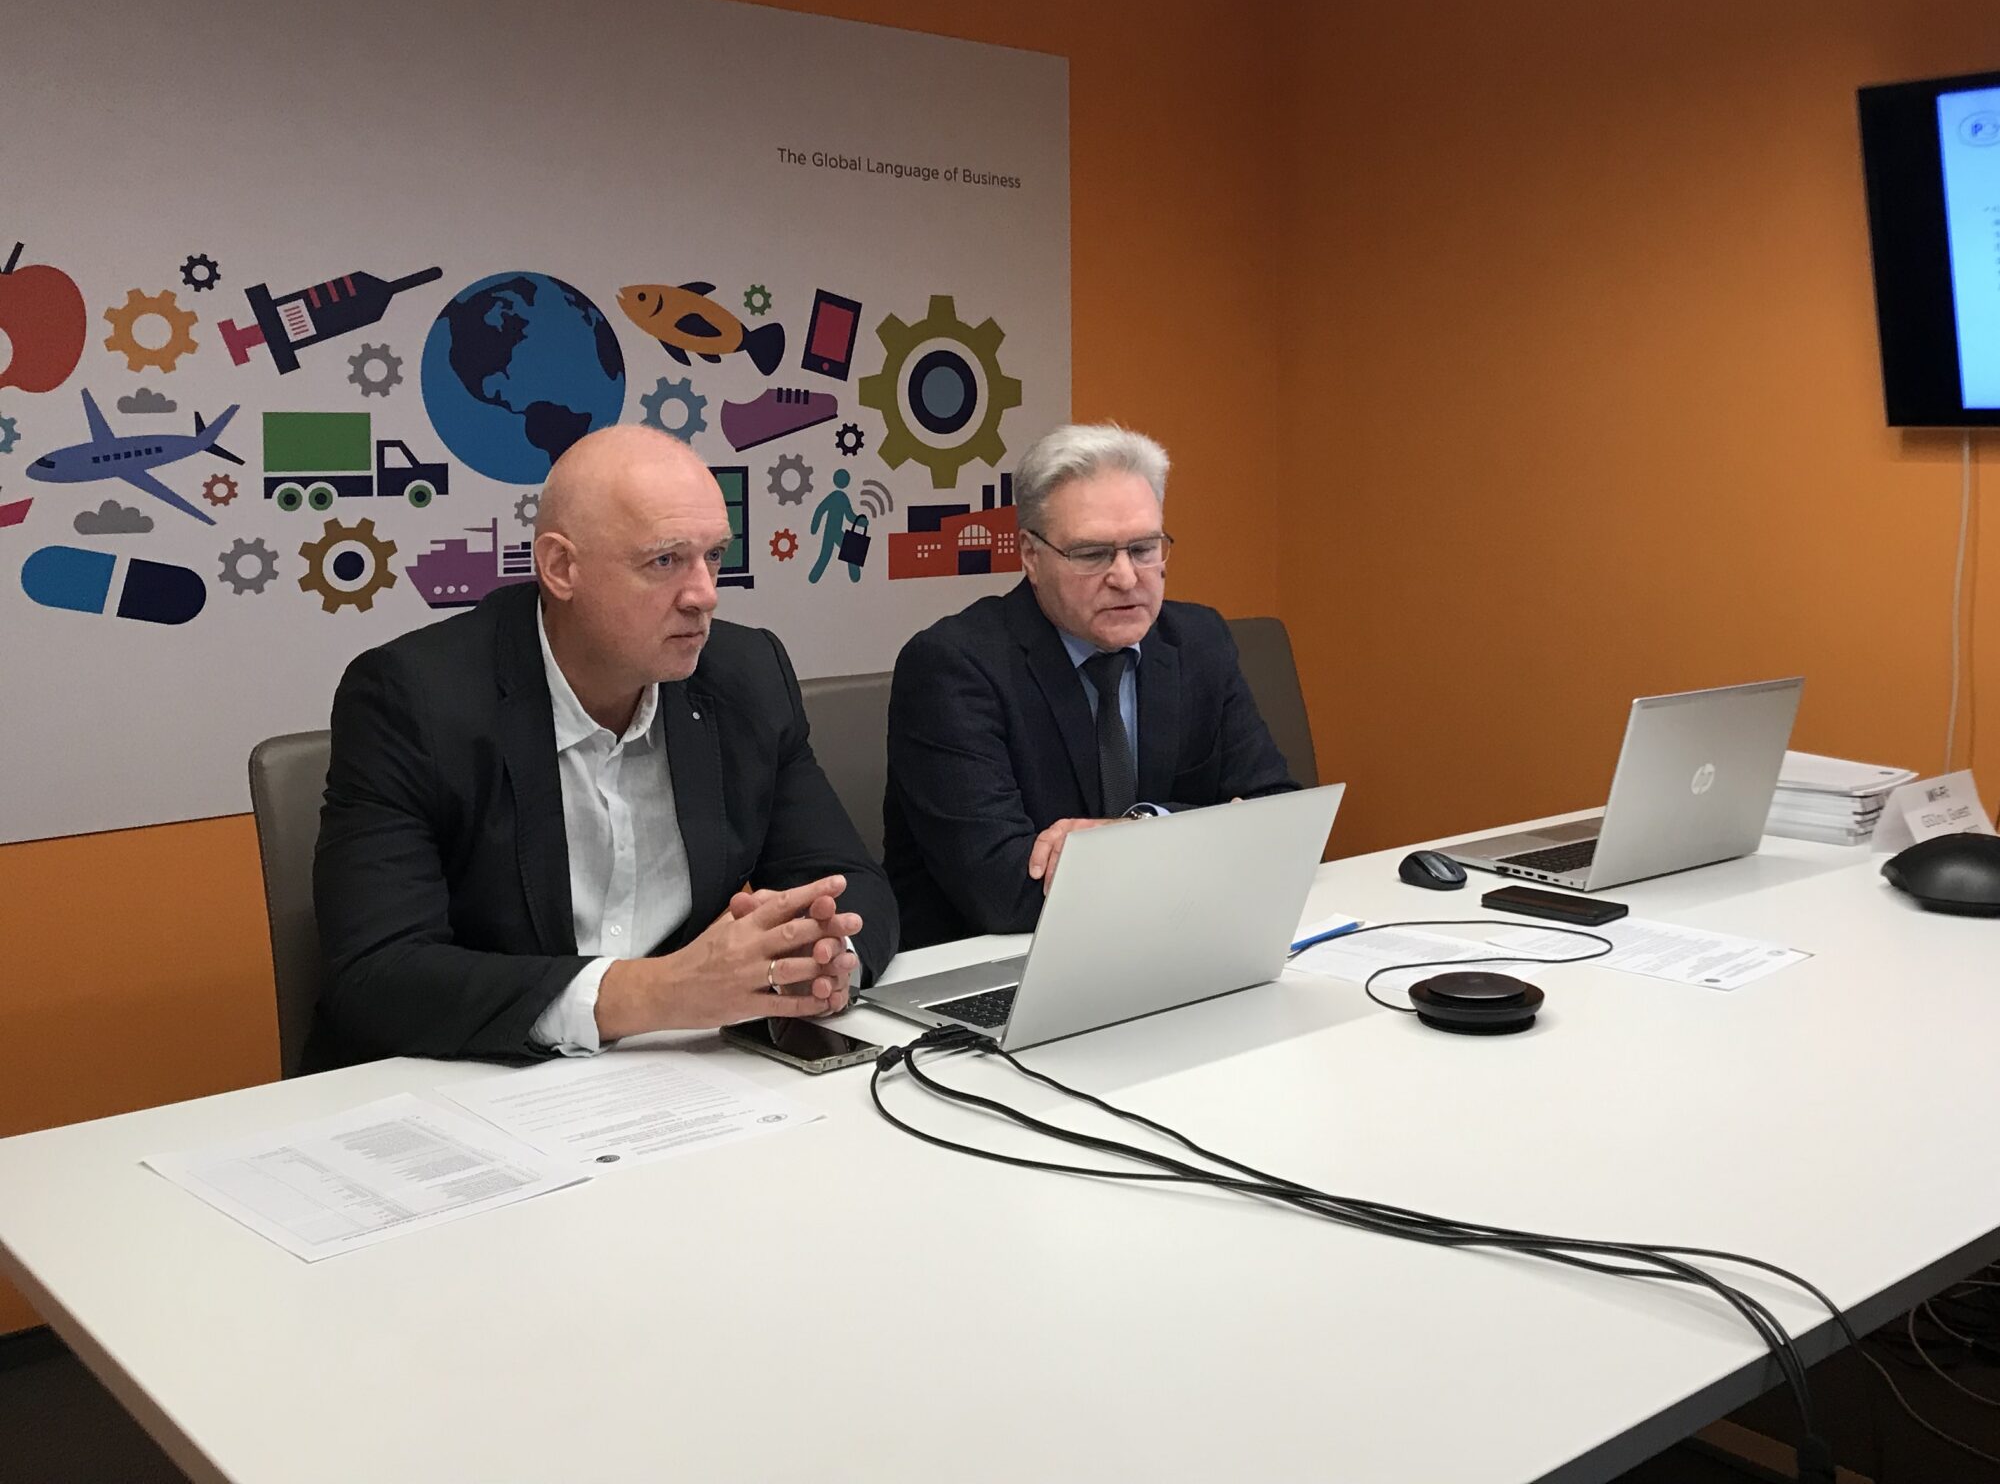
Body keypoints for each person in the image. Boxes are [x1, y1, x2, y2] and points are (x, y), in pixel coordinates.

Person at [307, 425, 897, 1066]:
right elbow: (379, 974)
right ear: (561, 568)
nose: (704, 594)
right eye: (665, 561)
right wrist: (659, 993)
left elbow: (848, 882)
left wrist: (823, 957)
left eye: (713, 556)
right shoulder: (413, 698)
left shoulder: (746, 674)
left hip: (678, 1072)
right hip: (472, 1076)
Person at [883, 421, 1299, 946]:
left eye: (1144, 548)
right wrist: (1216, 837)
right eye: (1091, 554)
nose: (1125, 577)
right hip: (992, 966)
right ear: (1030, 555)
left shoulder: (1198, 642)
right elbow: (1003, 892)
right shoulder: (953, 667)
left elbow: (1282, 824)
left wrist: (1141, 828)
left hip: (1170, 942)